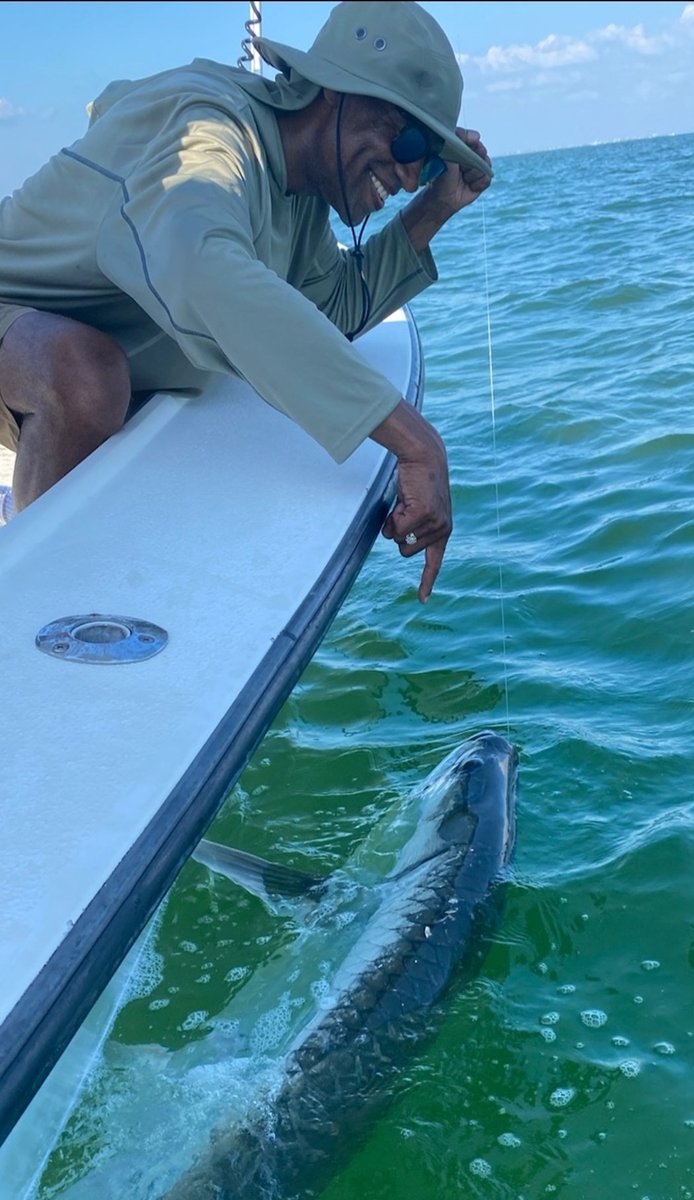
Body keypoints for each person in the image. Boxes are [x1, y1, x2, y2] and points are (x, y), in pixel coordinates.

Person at [0, 1, 491, 601]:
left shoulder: (301, 189)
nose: (412, 176)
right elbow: (201, 268)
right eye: (409, 139)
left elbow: (330, 311)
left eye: (430, 160)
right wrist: (415, 441)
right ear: (334, 94)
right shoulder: (206, 128)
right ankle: (35, 595)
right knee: (85, 374)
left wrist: (435, 208)